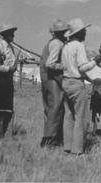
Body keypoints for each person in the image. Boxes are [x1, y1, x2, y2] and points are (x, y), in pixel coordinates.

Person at [61, 18, 100, 154]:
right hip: (77, 82)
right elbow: (83, 68)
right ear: (78, 33)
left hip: (65, 82)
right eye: (84, 30)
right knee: (80, 117)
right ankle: (77, 149)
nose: (85, 33)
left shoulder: (65, 46)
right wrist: (95, 61)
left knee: (68, 116)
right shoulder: (79, 46)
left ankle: (67, 146)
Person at [40, 20, 68, 148]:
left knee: (50, 109)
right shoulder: (58, 44)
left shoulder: (50, 43)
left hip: (47, 79)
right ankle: (50, 139)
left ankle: (51, 137)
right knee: (55, 109)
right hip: (53, 80)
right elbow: (50, 64)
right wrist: (64, 66)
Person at [0, 24, 18, 138]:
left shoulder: (10, 47)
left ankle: (5, 132)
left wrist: (13, 67)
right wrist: (9, 69)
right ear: (6, 35)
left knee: (8, 106)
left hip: (8, 79)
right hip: (0, 79)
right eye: (11, 33)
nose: (13, 35)